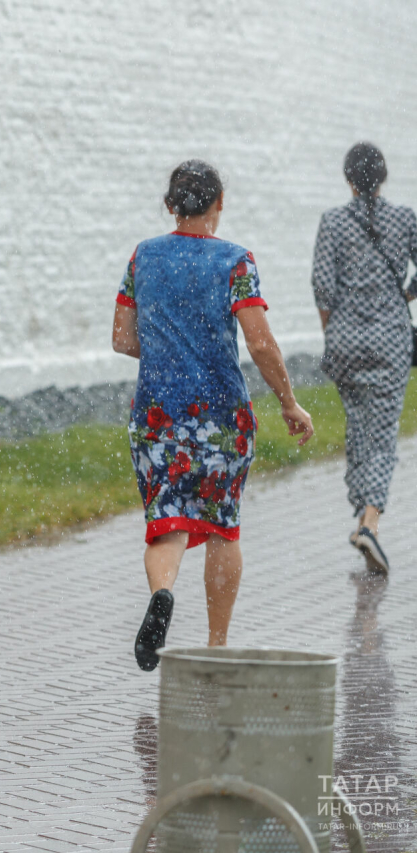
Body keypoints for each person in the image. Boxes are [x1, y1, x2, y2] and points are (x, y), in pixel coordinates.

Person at [112, 160, 314, 672]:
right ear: (218, 203)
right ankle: (216, 646)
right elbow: (260, 341)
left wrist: (169, 353)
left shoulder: (143, 257)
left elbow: (121, 338)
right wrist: (288, 400)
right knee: (223, 528)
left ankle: (162, 593)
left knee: (167, 523)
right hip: (221, 417)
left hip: (156, 416)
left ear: (170, 206)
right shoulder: (235, 261)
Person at [313, 142, 417, 574]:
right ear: (385, 177)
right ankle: (370, 522)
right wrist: (403, 295)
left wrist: (332, 332)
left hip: (345, 341)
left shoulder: (333, 222)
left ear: (348, 179)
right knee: (383, 433)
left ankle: (360, 513)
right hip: (391, 340)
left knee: (358, 427)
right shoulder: (405, 219)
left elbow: (322, 285)